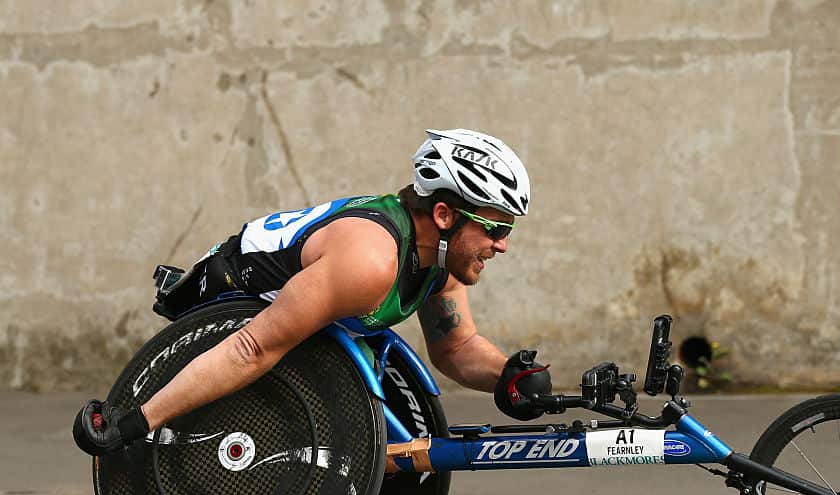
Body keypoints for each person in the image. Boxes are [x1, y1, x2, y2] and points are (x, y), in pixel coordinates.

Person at [73, 128, 552, 457]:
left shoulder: (436, 261)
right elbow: (251, 346)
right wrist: (135, 422)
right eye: (493, 228)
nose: (502, 245)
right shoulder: (369, 261)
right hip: (226, 307)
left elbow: (457, 348)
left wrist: (507, 376)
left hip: (284, 344)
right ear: (444, 216)